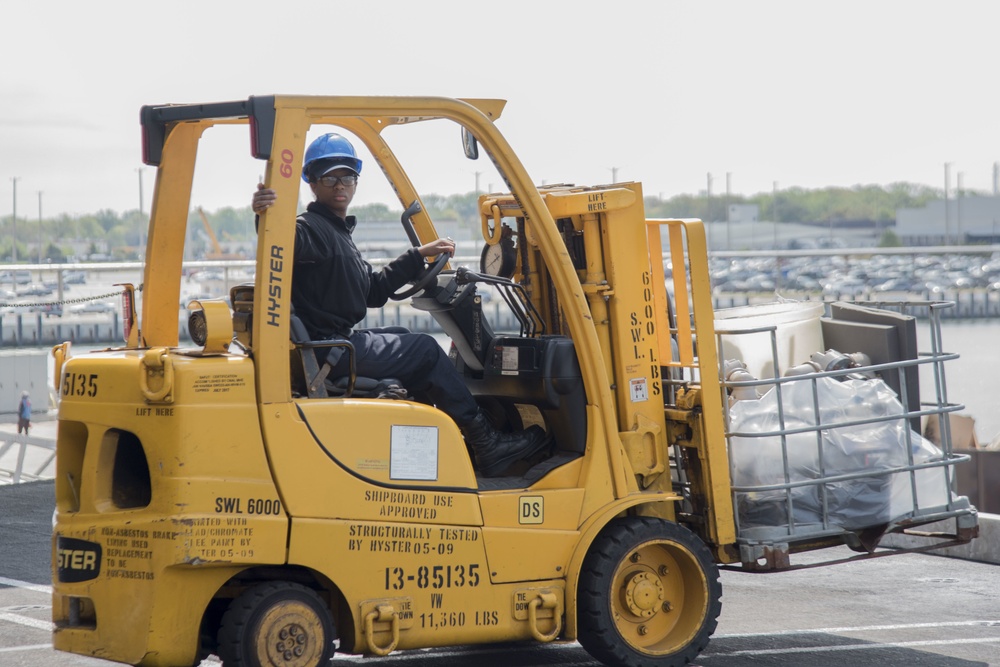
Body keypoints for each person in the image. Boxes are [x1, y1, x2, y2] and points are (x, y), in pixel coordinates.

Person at [252, 133, 549, 477]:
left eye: (347, 177)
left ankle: (443, 436)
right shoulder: (309, 229)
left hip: (333, 344)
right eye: (330, 178)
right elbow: (283, 238)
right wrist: (266, 214)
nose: (340, 185)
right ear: (311, 183)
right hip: (331, 349)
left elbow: (373, 292)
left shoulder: (335, 231)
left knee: (401, 334)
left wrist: (418, 257)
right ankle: (486, 443)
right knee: (424, 348)